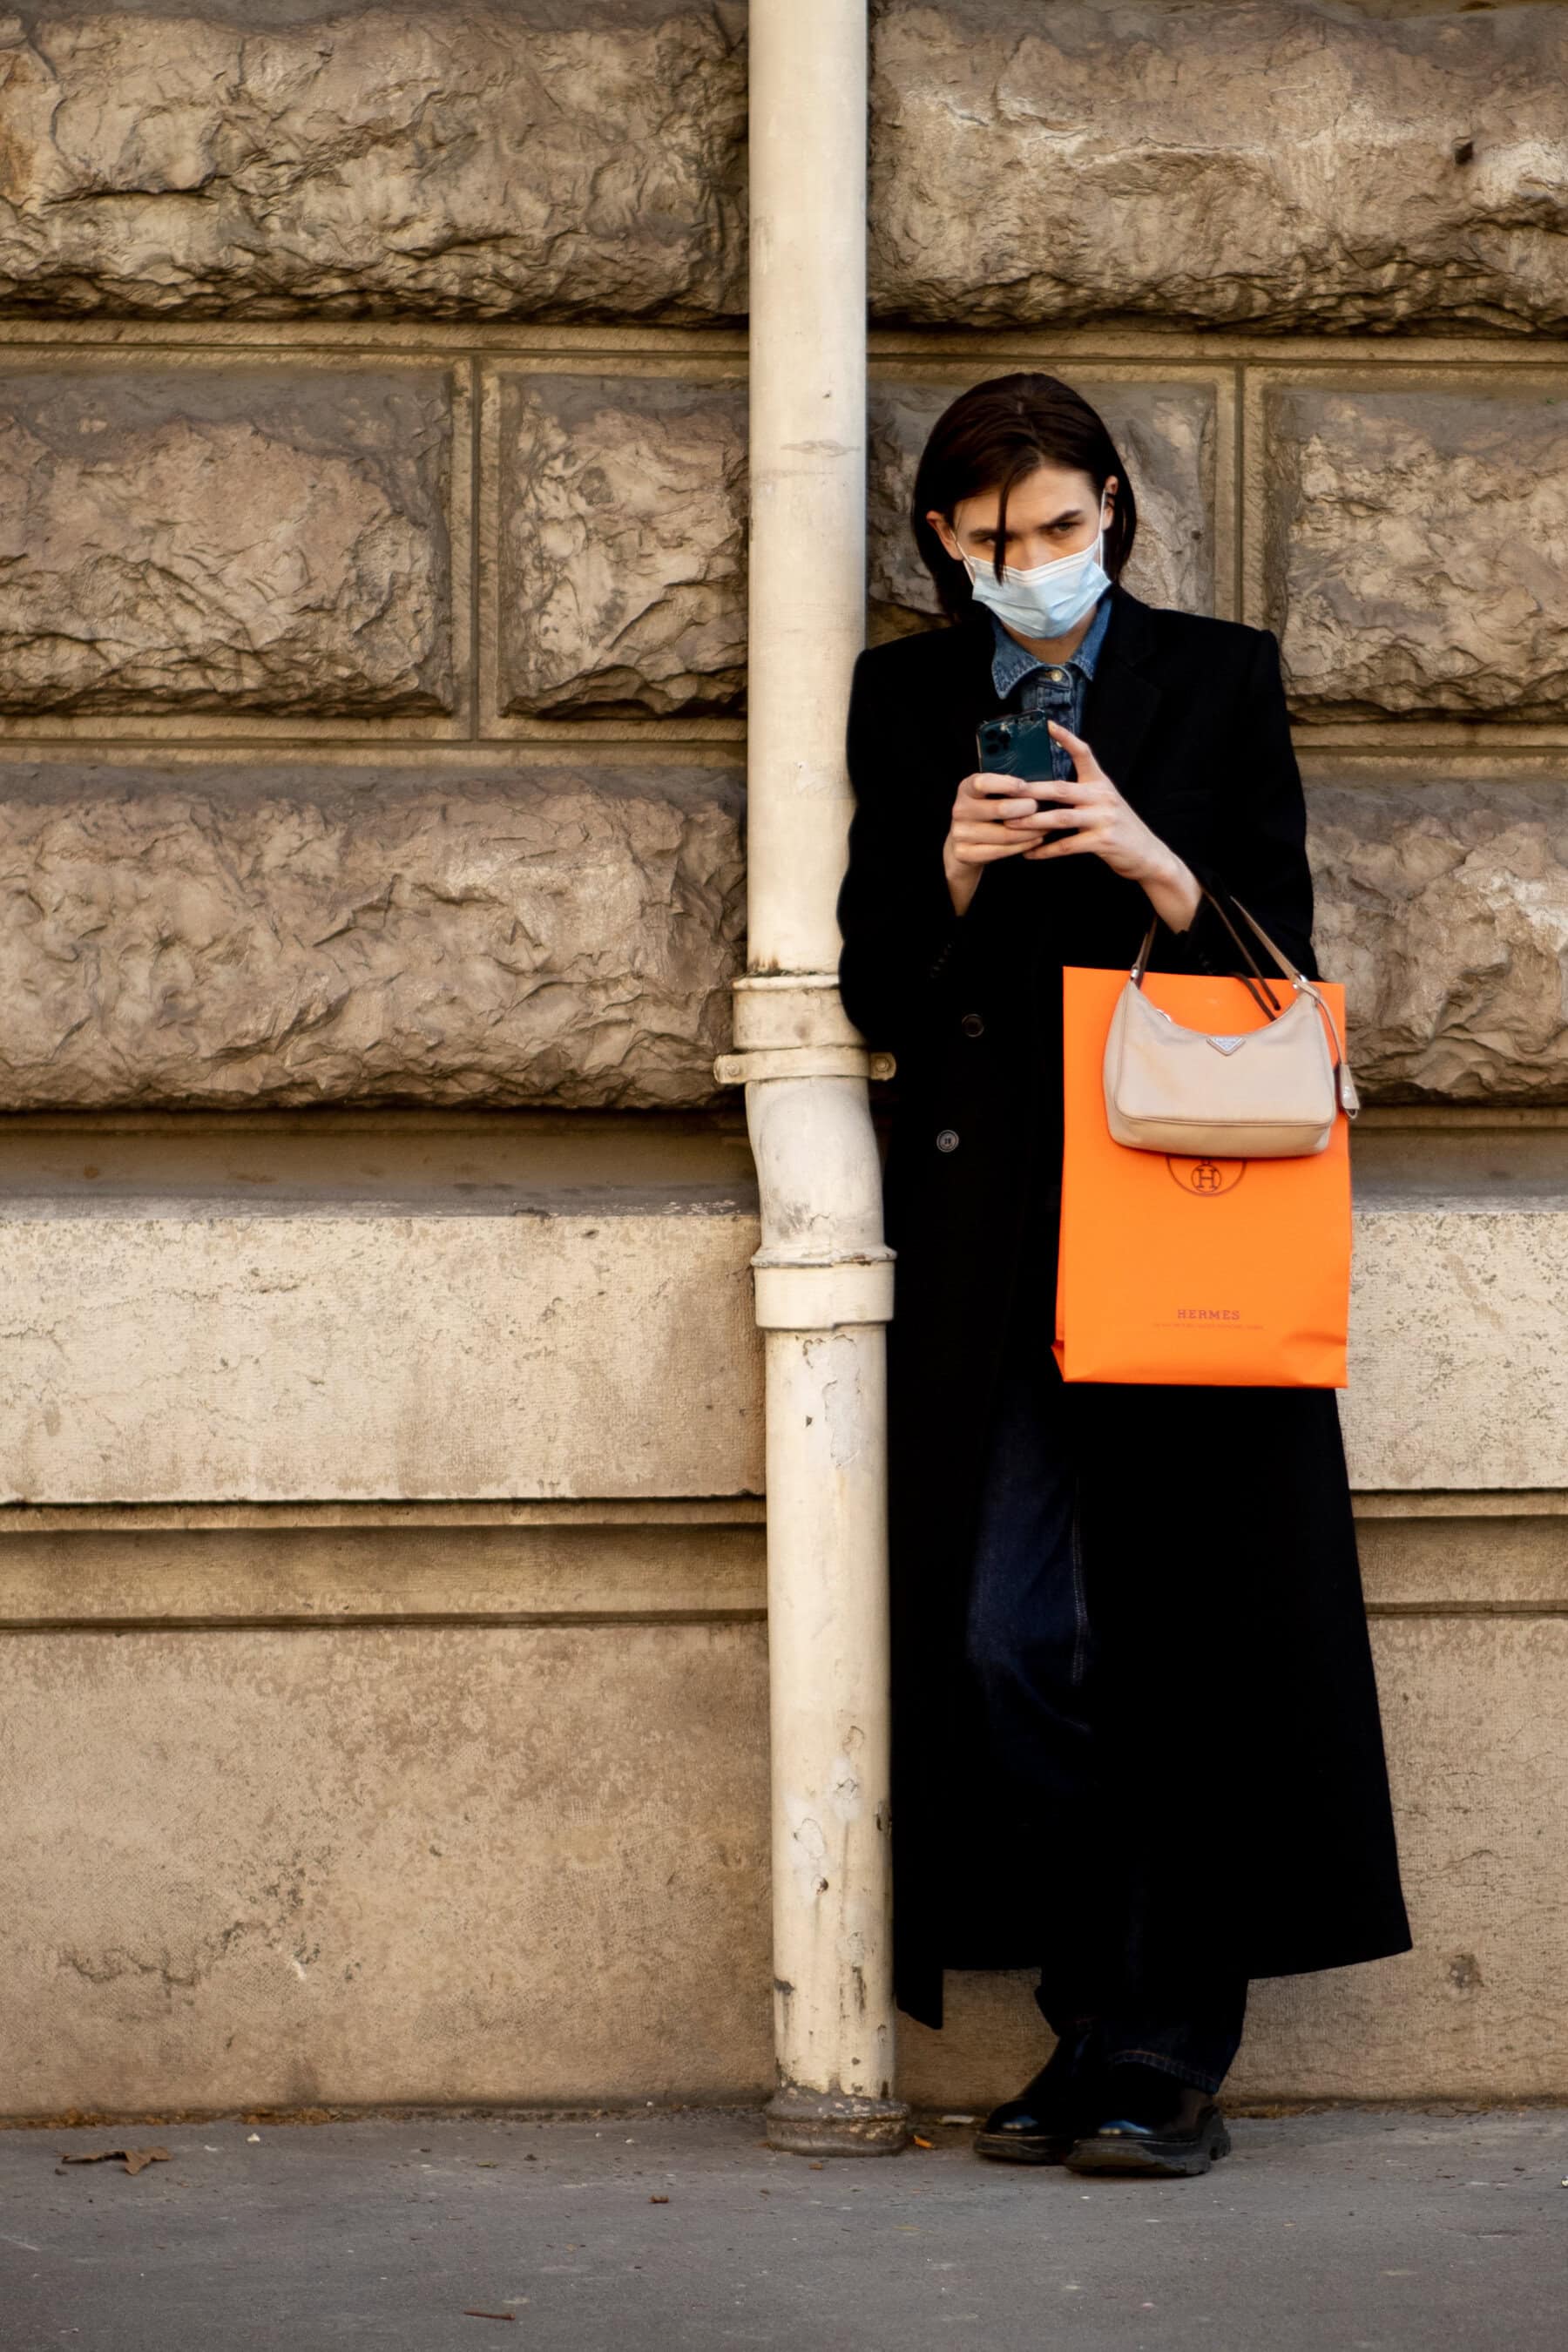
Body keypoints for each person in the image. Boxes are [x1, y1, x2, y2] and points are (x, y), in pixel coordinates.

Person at [835, 373, 1412, 2180]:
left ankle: (1161, 2048)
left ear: (1114, 513)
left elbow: (1280, 956)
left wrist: (1153, 861)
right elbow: (871, 991)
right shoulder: (906, 700)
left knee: (1187, 1631)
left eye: (1061, 529)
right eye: (995, 540)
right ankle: (1097, 2014)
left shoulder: (1215, 679)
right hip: (990, 1238)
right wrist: (947, 873)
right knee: (1007, 1638)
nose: (1033, 565)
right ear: (946, 543)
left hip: (1184, 1209)